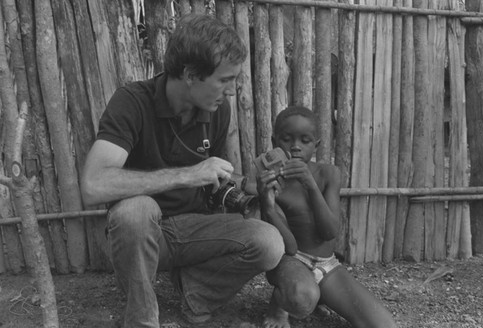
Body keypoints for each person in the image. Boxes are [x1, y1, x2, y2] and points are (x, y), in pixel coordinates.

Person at [80, 14, 284, 328]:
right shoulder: (132, 102)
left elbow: (213, 177)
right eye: (225, 79)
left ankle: (196, 295)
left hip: (195, 229)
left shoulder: (217, 110)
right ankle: (142, 320)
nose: (232, 90)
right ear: (190, 74)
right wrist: (186, 174)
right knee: (135, 211)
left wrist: (248, 184)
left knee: (269, 242)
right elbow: (93, 184)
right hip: (145, 236)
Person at [257, 106, 397, 328]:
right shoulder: (274, 183)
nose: (295, 147)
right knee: (301, 298)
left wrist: (310, 185)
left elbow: (330, 231)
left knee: (384, 325)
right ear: (275, 142)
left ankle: (319, 293)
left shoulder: (328, 174)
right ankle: (280, 303)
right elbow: (290, 247)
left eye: (305, 141)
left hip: (327, 264)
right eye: (286, 139)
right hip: (291, 261)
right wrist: (269, 207)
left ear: (317, 144)